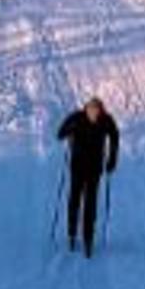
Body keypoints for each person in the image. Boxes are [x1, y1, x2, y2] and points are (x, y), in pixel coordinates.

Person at [52, 93, 119, 254]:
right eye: (91, 110)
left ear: (101, 110)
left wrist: (112, 160)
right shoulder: (77, 117)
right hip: (78, 166)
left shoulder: (106, 119)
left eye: (97, 111)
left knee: (90, 203)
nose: (94, 114)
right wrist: (69, 129)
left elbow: (115, 137)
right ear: (87, 109)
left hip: (95, 168)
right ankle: (72, 233)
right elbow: (60, 134)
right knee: (74, 200)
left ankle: (88, 238)